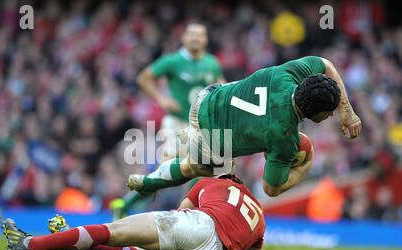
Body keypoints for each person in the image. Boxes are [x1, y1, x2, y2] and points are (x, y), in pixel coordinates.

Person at [127, 56, 362, 199]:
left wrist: (346, 110)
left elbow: (325, 65)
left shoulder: (287, 74)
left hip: (210, 94)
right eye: (330, 111)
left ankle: (151, 181)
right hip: (213, 129)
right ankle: (152, 185)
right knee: (210, 169)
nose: (333, 114)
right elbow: (271, 188)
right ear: (313, 111)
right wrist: (305, 166)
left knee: (214, 163)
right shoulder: (284, 138)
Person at [2, 174, 264, 250]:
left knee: (112, 230)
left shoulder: (211, 183)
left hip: (200, 223)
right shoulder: (260, 215)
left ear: (227, 179)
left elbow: (183, 208)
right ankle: (68, 234)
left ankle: (28, 243)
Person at [109, 22, 225, 218]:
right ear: (184, 38)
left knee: (203, 170)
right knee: (170, 166)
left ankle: (184, 214)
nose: (196, 38)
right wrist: (161, 98)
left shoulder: (212, 63)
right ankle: (129, 204)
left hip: (201, 126)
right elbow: (144, 78)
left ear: (206, 39)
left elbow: (220, 85)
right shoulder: (173, 61)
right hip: (177, 122)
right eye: (192, 35)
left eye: (200, 35)